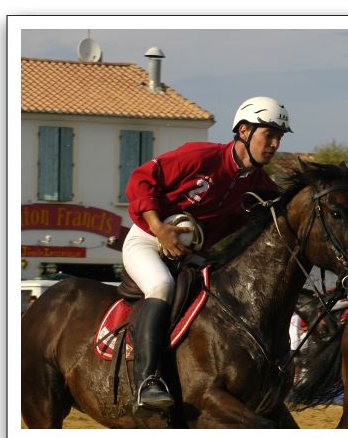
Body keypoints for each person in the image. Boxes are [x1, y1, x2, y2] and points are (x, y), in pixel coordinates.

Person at [122, 96, 291, 412]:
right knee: (161, 285)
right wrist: (159, 228)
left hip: (193, 258)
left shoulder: (261, 187)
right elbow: (140, 179)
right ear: (243, 131)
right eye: (269, 135)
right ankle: (147, 381)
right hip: (147, 242)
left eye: (279, 138)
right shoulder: (200, 156)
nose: (274, 144)